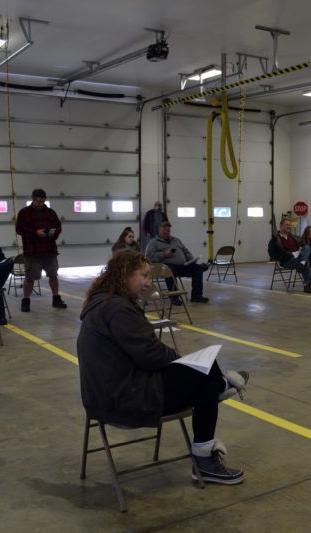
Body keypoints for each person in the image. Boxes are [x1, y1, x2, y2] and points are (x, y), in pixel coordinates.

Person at [77, 250, 248, 484]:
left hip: (106, 395)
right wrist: (182, 358)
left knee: (203, 376)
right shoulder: (117, 309)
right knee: (206, 372)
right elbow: (150, 354)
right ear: (125, 274)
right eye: (144, 276)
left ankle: (218, 387)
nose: (149, 282)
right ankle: (206, 455)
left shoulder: (104, 303)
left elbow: (143, 353)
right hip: (124, 399)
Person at [15, 189, 67, 311]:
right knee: (30, 278)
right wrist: (35, 232)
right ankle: (26, 301)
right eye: (38, 201)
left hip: (49, 250)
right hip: (33, 251)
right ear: (33, 199)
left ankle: (56, 298)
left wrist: (52, 233)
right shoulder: (24, 213)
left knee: (53, 275)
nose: (40, 204)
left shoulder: (50, 213)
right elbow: (19, 230)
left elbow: (58, 227)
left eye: (43, 201)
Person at [145, 221, 209, 303]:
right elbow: (149, 257)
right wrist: (164, 254)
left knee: (197, 269)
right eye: (164, 230)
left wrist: (191, 259)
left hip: (183, 266)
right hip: (166, 267)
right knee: (170, 269)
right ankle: (174, 297)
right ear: (159, 230)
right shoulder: (153, 242)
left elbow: (186, 251)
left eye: (168, 230)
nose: (166, 232)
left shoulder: (176, 240)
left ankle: (196, 296)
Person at [267, 218, 311, 293]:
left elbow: (302, 244)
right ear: (281, 226)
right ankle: (307, 285)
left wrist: (301, 248)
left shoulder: (292, 237)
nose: (288, 227)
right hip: (287, 260)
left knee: (307, 247)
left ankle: (302, 263)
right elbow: (271, 253)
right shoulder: (275, 239)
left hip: (298, 257)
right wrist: (281, 257)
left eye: (289, 225)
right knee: (307, 262)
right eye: (286, 225)